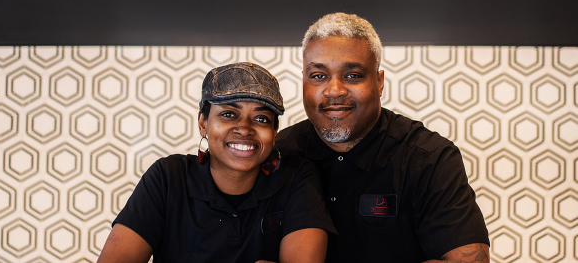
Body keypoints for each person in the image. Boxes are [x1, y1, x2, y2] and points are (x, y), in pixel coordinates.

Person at [276, 13, 490, 262]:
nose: (334, 90)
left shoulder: (429, 157)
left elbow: (469, 260)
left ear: (379, 82)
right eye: (319, 76)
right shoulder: (279, 154)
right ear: (304, 81)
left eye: (353, 75)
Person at [97, 62, 336, 263]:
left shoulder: (296, 178)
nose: (244, 129)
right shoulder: (168, 177)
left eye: (261, 118)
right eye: (228, 114)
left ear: (274, 133)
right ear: (203, 122)